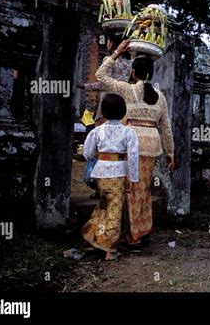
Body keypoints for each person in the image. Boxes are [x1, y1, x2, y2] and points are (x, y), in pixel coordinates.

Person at [95, 40, 175, 253]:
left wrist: (115, 54)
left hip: (131, 146)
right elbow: (166, 127)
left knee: (131, 191)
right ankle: (144, 232)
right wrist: (170, 153)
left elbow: (100, 77)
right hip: (152, 147)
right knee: (144, 191)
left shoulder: (127, 90)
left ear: (133, 72)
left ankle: (134, 239)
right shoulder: (160, 97)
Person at [80, 93, 139, 261]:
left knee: (104, 205)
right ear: (123, 111)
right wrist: (133, 179)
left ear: (104, 112)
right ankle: (110, 248)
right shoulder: (129, 133)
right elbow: (133, 157)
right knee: (115, 210)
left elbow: (87, 152)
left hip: (101, 173)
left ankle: (95, 238)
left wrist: (100, 159)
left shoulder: (97, 131)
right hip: (119, 173)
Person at [77, 32, 133, 127]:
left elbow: (103, 83)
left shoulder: (108, 60)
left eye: (108, 41)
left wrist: (84, 86)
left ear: (111, 44)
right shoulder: (130, 63)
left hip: (108, 101)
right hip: (123, 103)